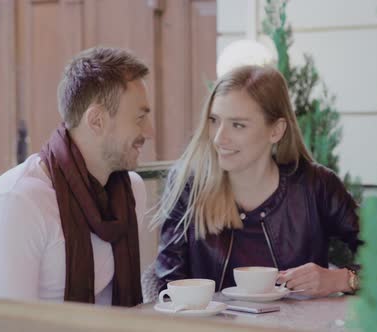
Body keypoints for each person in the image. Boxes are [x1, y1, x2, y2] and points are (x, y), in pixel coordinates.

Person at [0, 47, 154, 307]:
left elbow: (114, 306)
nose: (150, 131)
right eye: (140, 118)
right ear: (96, 120)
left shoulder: (131, 191)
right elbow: (8, 326)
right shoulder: (16, 202)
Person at [152, 65, 361, 298]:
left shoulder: (316, 185)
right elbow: (168, 287)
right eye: (214, 120)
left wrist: (341, 279)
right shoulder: (189, 185)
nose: (219, 138)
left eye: (238, 125)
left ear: (276, 131)